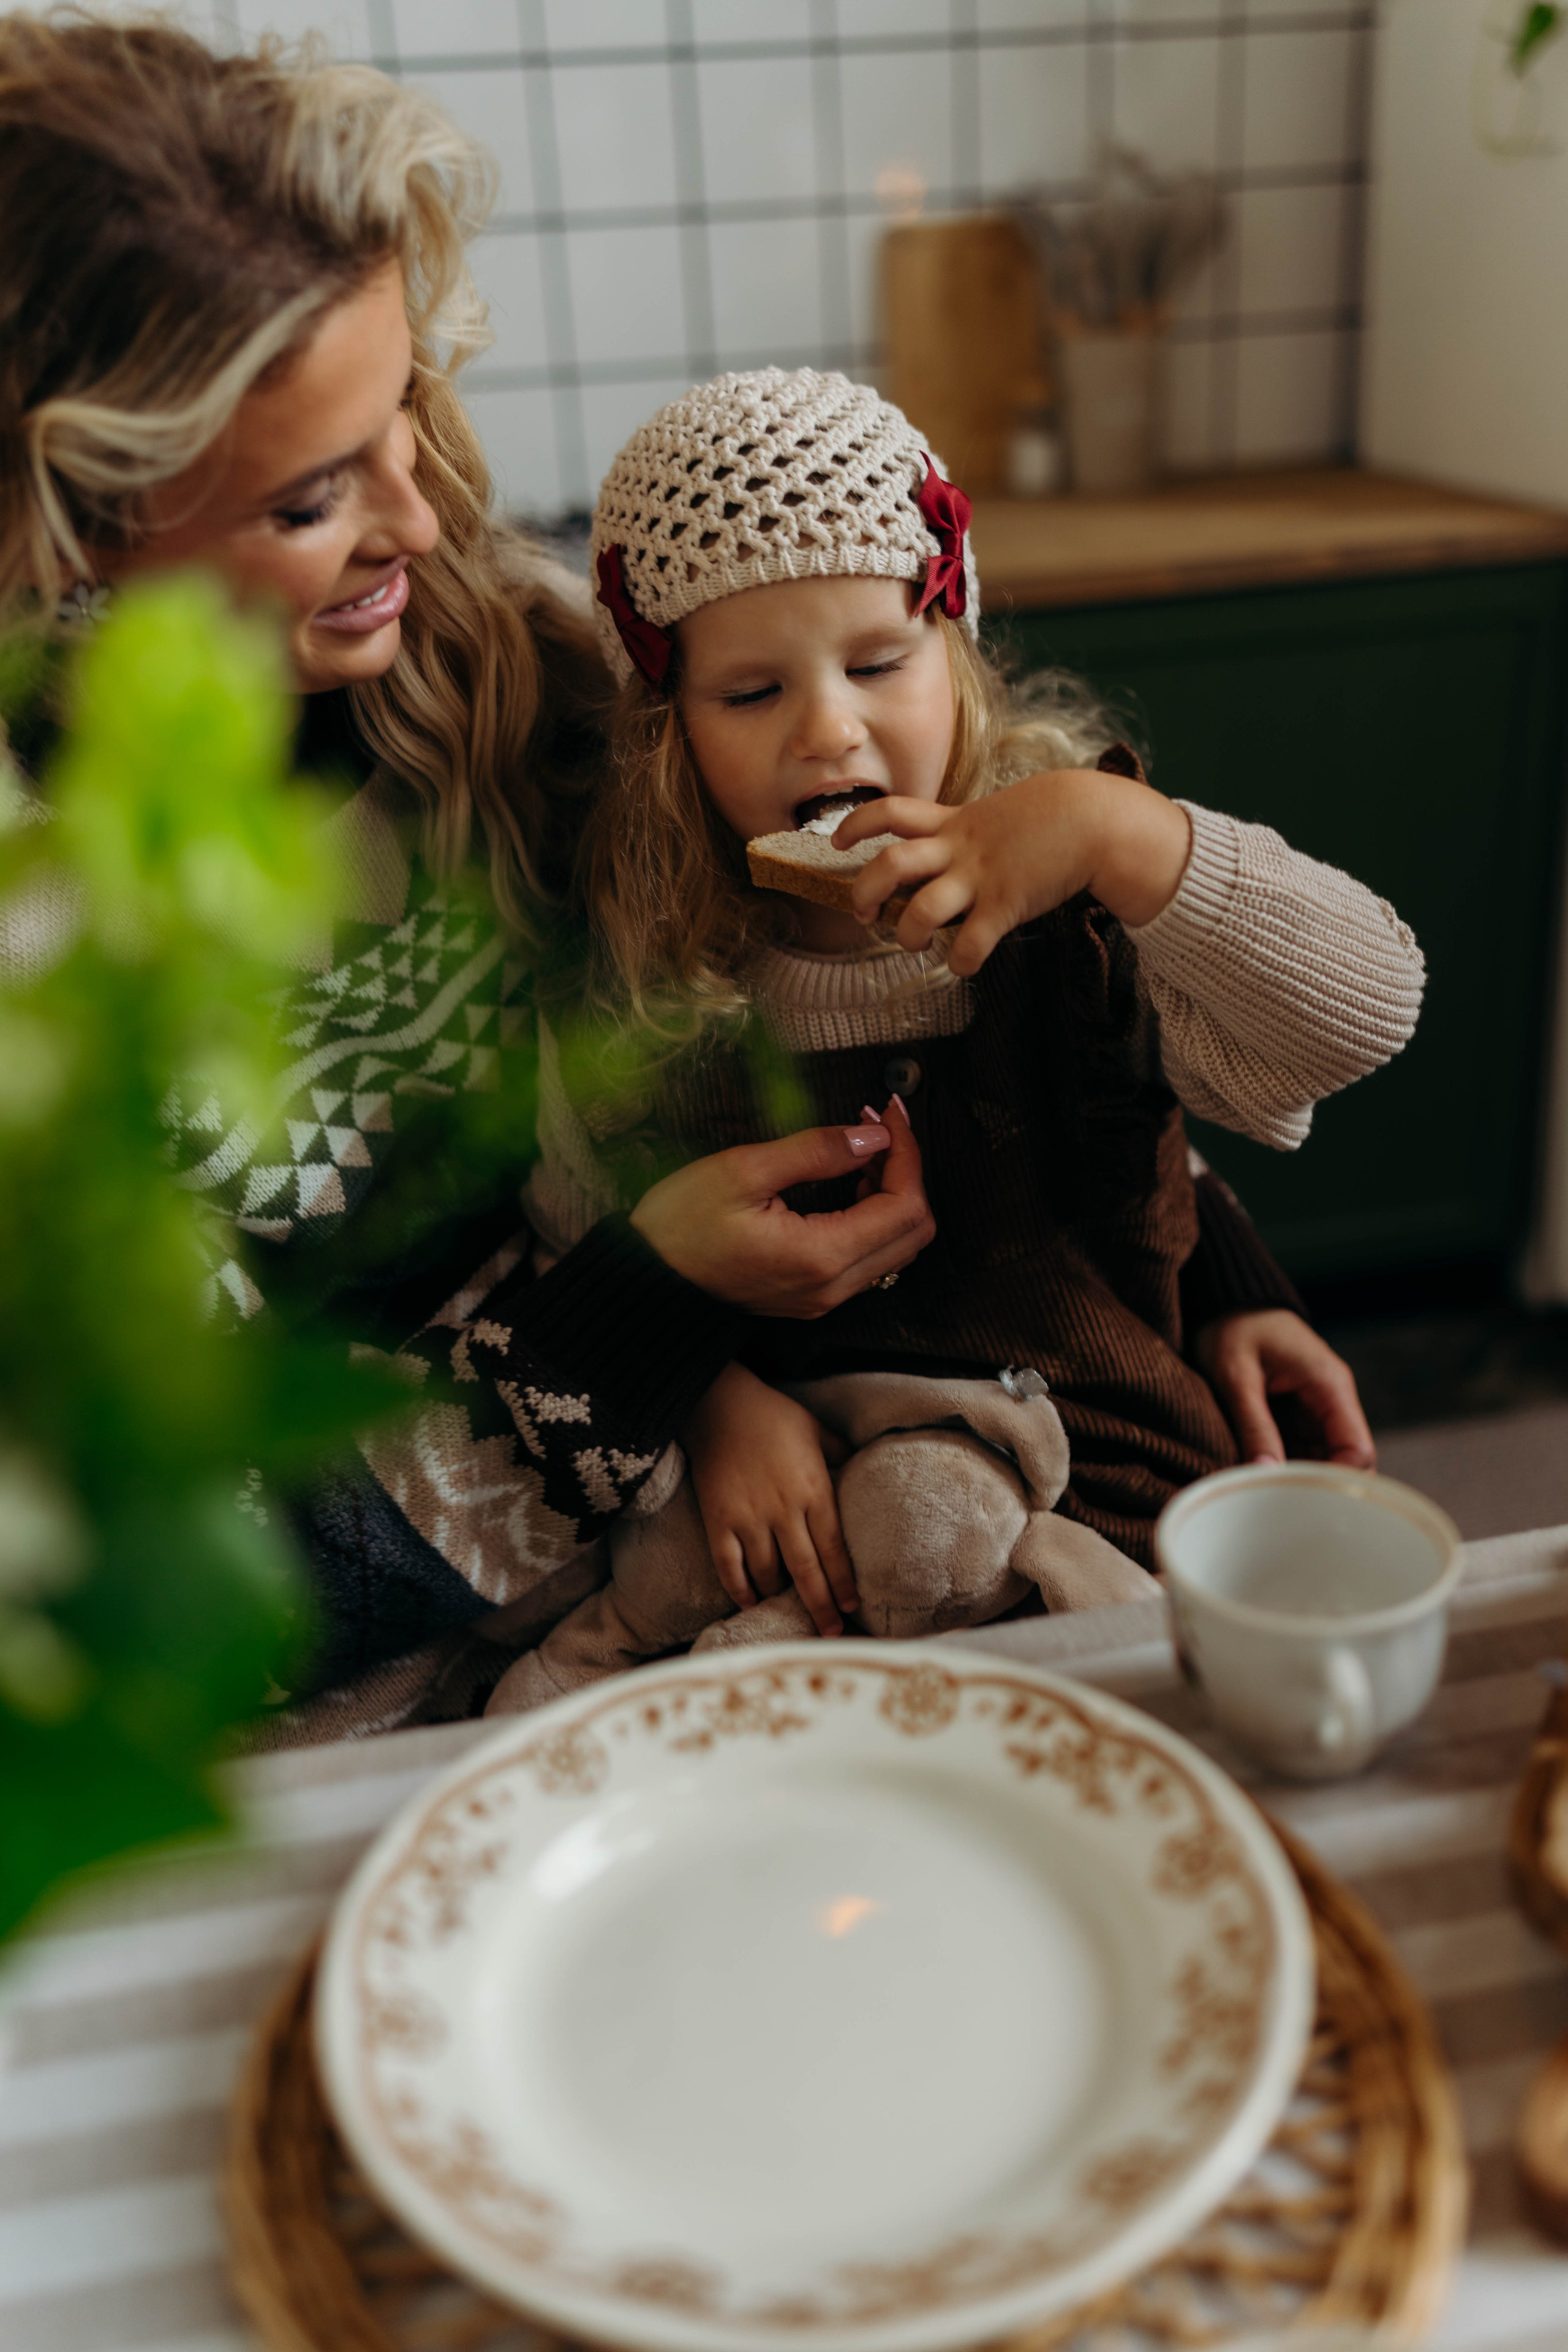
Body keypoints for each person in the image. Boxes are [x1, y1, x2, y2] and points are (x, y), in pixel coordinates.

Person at [0, 18, 1374, 1731]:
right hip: (410, 1708)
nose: (420, 527)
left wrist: (1203, 1270)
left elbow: (937, 1009)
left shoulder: (499, 668)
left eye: (406, 419)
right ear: (56, 535)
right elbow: (202, 1615)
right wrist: (657, 1331)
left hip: (745, 1564)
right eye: (307, 497)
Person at [502, 367, 1427, 1669]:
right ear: (668, 730)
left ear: (957, 652)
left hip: (1091, 1497)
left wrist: (1118, 832)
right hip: (790, 1531)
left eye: (879, 661)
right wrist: (706, 1401)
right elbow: (571, 1231)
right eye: (751, 694)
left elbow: (1364, 1013)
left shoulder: (1078, 913)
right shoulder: (636, 977)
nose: (830, 729)